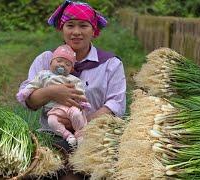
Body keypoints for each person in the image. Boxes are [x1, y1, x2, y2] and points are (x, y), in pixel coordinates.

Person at [16, 0, 126, 179]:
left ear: (94, 30)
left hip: (95, 137)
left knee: (77, 174)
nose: (76, 32)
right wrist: (52, 92)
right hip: (53, 137)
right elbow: (29, 101)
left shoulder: (110, 64)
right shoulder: (46, 60)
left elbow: (115, 105)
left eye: (83, 26)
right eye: (70, 25)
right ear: (62, 28)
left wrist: (81, 122)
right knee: (37, 172)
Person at [18, 44, 91, 147]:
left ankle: (80, 134)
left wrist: (84, 103)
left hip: (69, 108)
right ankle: (68, 135)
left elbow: (80, 92)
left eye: (67, 64)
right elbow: (34, 84)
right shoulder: (44, 75)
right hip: (54, 111)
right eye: (59, 61)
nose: (62, 65)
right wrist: (25, 92)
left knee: (77, 115)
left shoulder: (72, 79)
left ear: (71, 69)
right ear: (51, 62)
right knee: (52, 121)